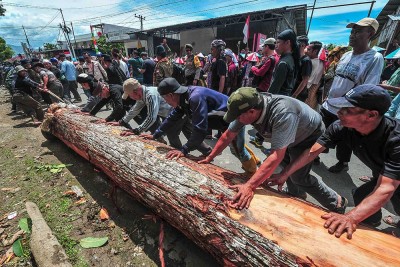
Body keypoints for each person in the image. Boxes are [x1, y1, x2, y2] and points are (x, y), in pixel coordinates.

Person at [269, 85, 400, 237]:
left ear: (371, 115)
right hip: (385, 173)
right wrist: (285, 174)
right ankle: (372, 224)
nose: (339, 113)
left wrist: (351, 217)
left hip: (394, 180)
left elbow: (386, 187)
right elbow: (312, 152)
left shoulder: (396, 139)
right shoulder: (341, 127)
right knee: (361, 195)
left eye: (348, 110)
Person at [200, 87, 347, 213]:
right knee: (282, 168)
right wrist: (210, 156)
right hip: (290, 132)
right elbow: (228, 135)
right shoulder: (249, 108)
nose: (237, 120)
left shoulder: (282, 113)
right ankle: (296, 197)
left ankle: (337, 202)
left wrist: (249, 186)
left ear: (251, 112)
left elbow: (276, 155)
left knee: (297, 176)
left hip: (308, 134)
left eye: (238, 117)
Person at [142, 78, 259, 173]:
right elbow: (172, 118)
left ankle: (252, 172)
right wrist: (156, 135)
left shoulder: (195, 98)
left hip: (236, 118)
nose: (165, 101)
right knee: (237, 145)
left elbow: (200, 129)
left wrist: (184, 150)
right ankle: (255, 161)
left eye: (164, 97)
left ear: (171, 95)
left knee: (237, 149)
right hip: (222, 122)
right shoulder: (183, 99)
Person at [321, 18, 384, 173]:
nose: (352, 35)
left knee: (345, 140)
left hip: (346, 108)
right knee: (320, 131)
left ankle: (342, 163)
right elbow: (336, 79)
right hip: (329, 104)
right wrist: (327, 96)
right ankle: (317, 153)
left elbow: (368, 88)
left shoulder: (374, 58)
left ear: (370, 33)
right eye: (351, 31)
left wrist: (352, 108)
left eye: (357, 31)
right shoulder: (346, 55)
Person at [268, 29, 300, 96]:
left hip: (278, 98)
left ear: (287, 42)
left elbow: (274, 90)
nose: (275, 45)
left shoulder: (283, 63)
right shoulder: (291, 58)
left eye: (278, 42)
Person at [304, 41, 324, 110]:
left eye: (309, 49)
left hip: (307, 90)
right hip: (314, 92)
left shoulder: (310, 62)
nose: (306, 51)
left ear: (315, 51)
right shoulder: (321, 62)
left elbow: (308, 81)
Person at [291, 35, 312, 101]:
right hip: (292, 89)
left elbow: (305, 80)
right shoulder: (296, 58)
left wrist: (294, 95)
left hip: (299, 94)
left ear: (302, 45)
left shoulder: (306, 61)